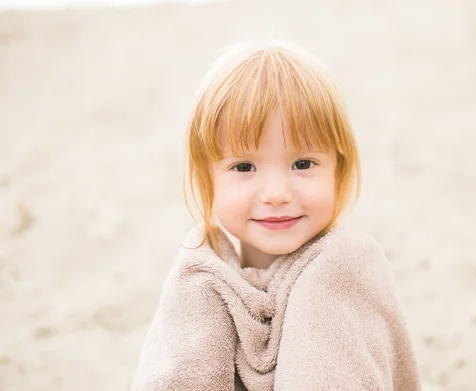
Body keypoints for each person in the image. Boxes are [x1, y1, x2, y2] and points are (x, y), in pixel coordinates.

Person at [130, 38, 421, 391]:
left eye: (303, 163)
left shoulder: (346, 271)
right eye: (243, 166)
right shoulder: (199, 279)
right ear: (209, 179)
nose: (277, 194)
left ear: (337, 169)